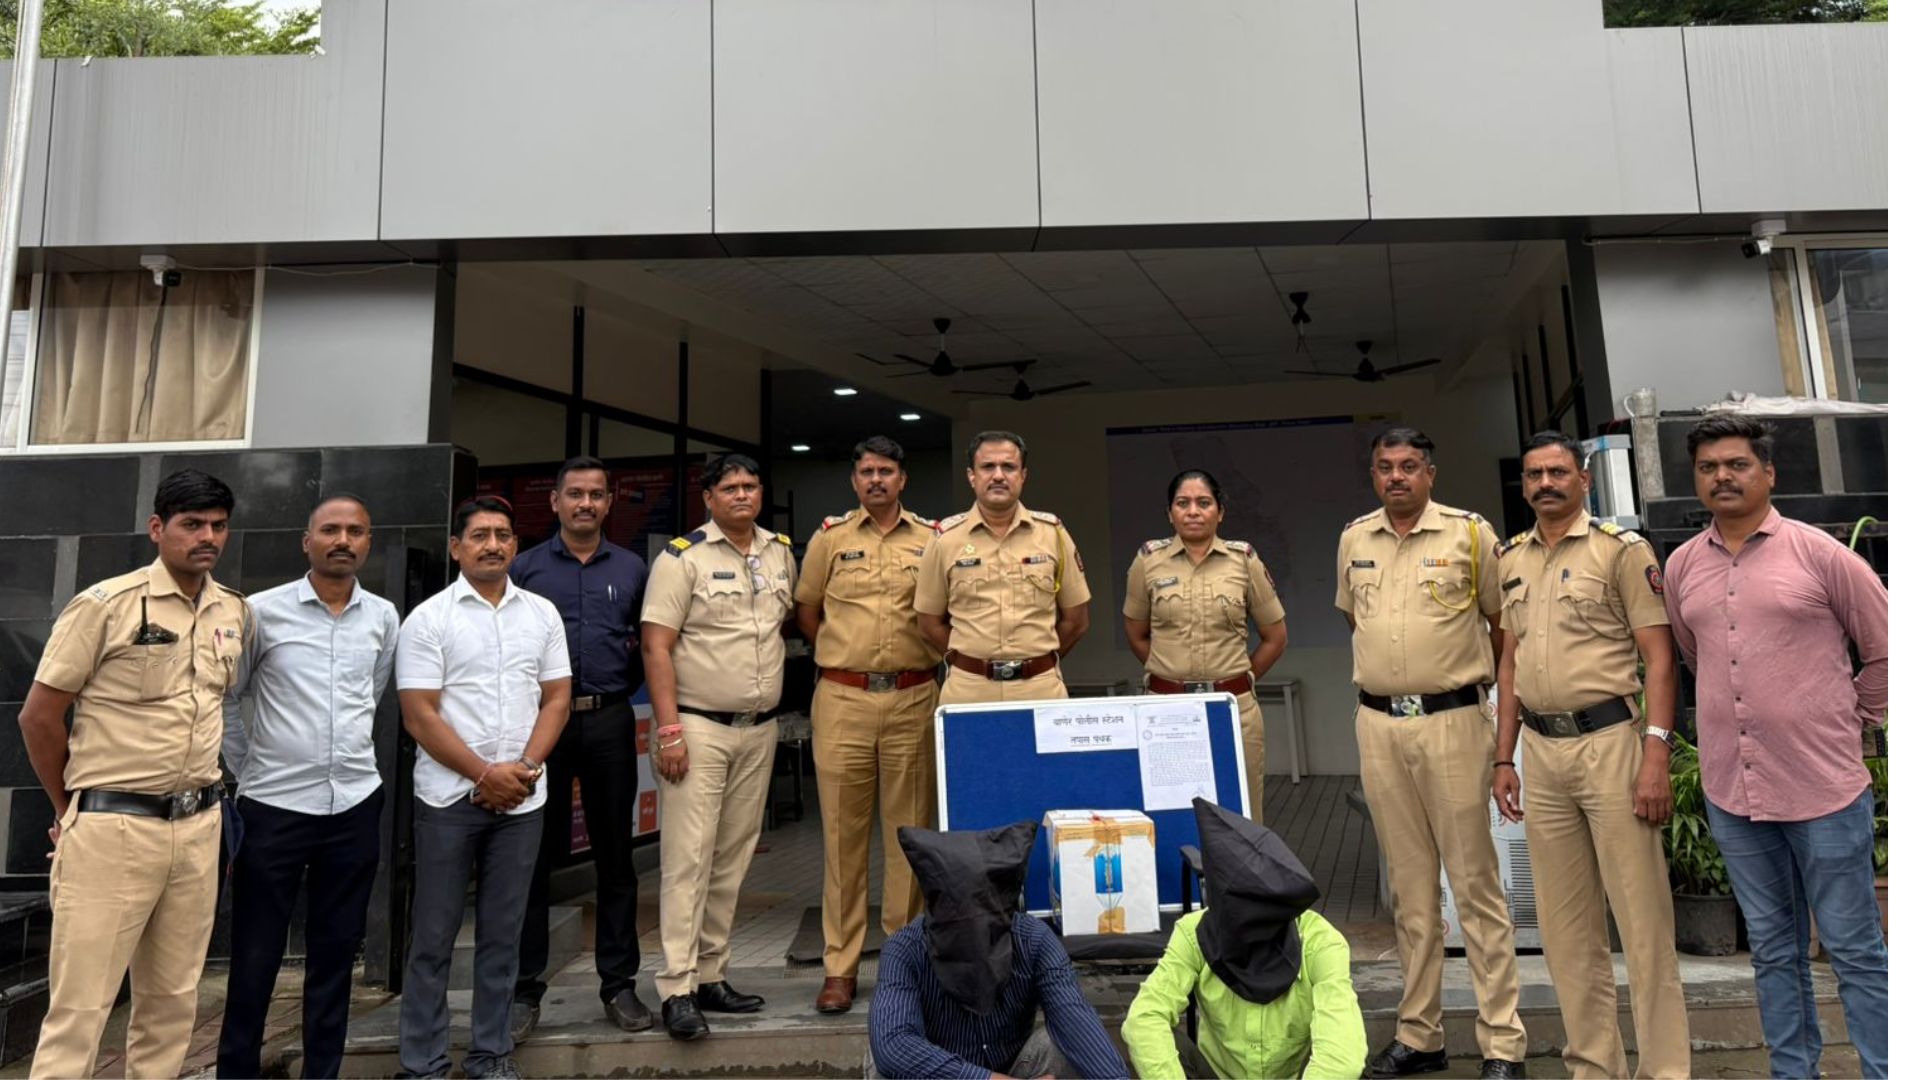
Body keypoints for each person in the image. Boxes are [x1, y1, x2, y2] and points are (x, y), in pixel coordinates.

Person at [1663, 415, 1888, 1079]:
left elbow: (1886, 648)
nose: (1722, 477)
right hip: (1734, 791)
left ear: (1769, 473)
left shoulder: (1822, 555)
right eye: (1709, 467)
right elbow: (1694, 656)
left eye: (1737, 464)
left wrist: (1855, 719)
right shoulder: (1682, 566)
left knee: (1854, 948)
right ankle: (1794, 1071)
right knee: (1771, 948)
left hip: (1824, 789)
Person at [16, 469, 249, 1080]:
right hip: (113, 828)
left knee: (172, 1004)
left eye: (218, 526)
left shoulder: (232, 610)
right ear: (157, 528)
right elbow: (39, 717)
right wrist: (69, 807)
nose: (207, 537)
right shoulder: (106, 606)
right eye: (192, 524)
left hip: (198, 828)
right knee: (80, 1008)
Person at [1491, 431, 1689, 1080]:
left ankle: (1664, 1071)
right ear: (1524, 485)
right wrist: (1503, 758)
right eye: (1534, 475)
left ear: (1584, 479)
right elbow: (1510, 662)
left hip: (1611, 745)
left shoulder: (1621, 551)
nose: (1545, 484)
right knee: (1566, 929)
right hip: (1541, 753)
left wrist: (1655, 754)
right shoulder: (1510, 558)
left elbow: (1660, 659)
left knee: (1642, 923)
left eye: (1558, 472)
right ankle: (1594, 1067)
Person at [1333, 428, 1527, 1080]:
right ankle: (1420, 1035)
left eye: (1409, 466)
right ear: (1373, 474)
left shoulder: (1470, 534)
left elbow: (1504, 631)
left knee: (1474, 886)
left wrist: (1492, 725)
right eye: (1385, 466)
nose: (1396, 476)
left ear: (1430, 474)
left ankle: (1503, 1044)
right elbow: (1356, 621)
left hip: (1453, 722)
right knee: (1411, 892)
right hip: (1379, 724)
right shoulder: (1354, 539)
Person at [217, 493, 400, 1079]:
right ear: (307, 542)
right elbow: (228, 699)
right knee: (255, 956)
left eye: (355, 531)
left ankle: (322, 1071)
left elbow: (372, 696)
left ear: (368, 542)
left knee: (335, 955)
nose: (343, 540)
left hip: (354, 803)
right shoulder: (260, 613)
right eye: (330, 530)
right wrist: (250, 769)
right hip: (273, 807)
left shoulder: (383, 617)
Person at [395, 495, 574, 1080]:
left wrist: (522, 768)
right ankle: (423, 1064)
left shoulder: (541, 614)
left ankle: (491, 1055)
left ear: (515, 545)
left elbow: (557, 698)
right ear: (456, 548)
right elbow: (419, 714)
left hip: (522, 798)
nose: (492, 545)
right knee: (433, 937)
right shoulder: (428, 619)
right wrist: (483, 774)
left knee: (504, 936)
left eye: (502, 535)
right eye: (479, 535)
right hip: (448, 800)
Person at [641, 454, 798, 1041]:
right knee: (688, 860)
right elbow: (656, 646)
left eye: (750, 485)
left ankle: (712, 974)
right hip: (697, 728)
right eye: (729, 487)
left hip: (758, 729)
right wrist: (669, 730)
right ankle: (677, 987)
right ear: (708, 497)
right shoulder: (682, 559)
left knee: (732, 858)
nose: (741, 494)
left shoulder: (779, 553)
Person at [795, 437, 943, 1014]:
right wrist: (844, 656)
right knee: (842, 839)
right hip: (843, 698)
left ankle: (902, 966)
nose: (875, 479)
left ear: (902, 478)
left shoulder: (932, 539)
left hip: (913, 696)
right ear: (854, 480)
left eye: (885, 471)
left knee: (909, 838)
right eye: (866, 471)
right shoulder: (829, 539)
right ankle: (840, 966)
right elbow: (808, 610)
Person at [508, 456, 653, 1039]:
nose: (585, 504)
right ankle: (524, 990)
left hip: (609, 721)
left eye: (596, 494)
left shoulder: (634, 568)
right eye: (575, 494)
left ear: (609, 502)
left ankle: (618, 985)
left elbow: (647, 645)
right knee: (531, 859)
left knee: (616, 859)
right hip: (540, 726)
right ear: (555, 502)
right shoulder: (525, 568)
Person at [1123, 799, 1366, 1079]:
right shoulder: (1192, 934)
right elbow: (1143, 1019)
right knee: (1163, 1042)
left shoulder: (1320, 942)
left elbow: (1343, 1057)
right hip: (1214, 1075)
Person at [867, 822, 1128, 1080]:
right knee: (886, 1067)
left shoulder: (1034, 940)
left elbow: (1075, 1019)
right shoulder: (905, 948)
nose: (972, 927)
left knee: (1061, 1046)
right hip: (945, 1075)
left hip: (1017, 1068)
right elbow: (893, 1047)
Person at [1124, 469, 1288, 822]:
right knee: (1172, 815)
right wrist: (1169, 674)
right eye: (1183, 503)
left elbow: (1275, 637)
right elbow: (1136, 634)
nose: (1193, 511)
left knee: (1240, 815)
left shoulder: (1244, 561)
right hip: (1167, 710)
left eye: (1204, 503)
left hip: (1233, 710)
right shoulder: (1148, 561)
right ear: (1170, 513)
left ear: (1220, 512)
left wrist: (1240, 679)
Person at [915, 430, 1092, 705]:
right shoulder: (945, 539)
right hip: (969, 690)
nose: (998, 475)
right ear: (971, 476)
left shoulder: (1052, 533)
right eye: (987, 467)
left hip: (1039, 688)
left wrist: (1036, 662)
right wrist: (969, 662)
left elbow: (1076, 621)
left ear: (1023, 475)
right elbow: (929, 624)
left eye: (1009, 467)